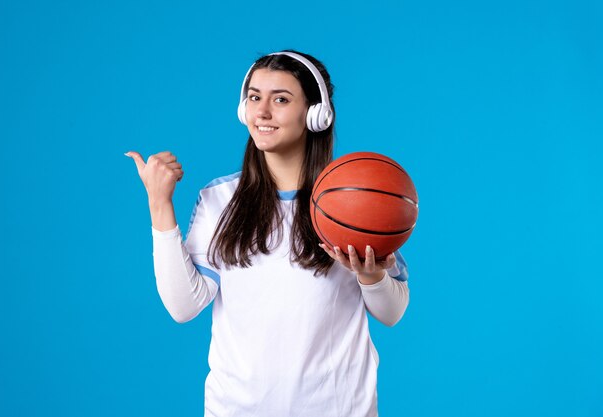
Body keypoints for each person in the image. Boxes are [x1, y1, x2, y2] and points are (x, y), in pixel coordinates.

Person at [126, 50, 410, 417]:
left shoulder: (354, 199)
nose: (262, 112)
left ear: (316, 115)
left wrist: (371, 277)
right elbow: (184, 307)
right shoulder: (218, 200)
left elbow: (392, 312)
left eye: (280, 99)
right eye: (254, 98)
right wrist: (159, 203)